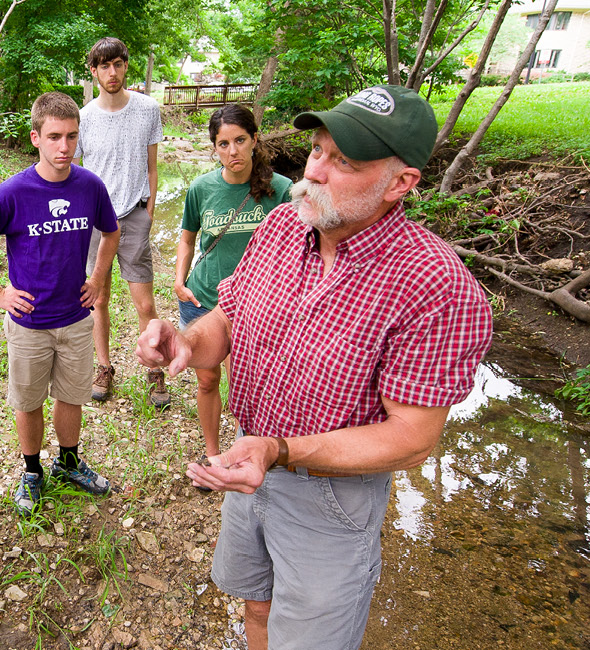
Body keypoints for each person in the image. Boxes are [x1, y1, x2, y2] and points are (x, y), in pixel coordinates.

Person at [136, 85, 493, 650]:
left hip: (333, 495)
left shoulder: (436, 286)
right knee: (257, 604)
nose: (317, 172)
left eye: (344, 161)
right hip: (250, 457)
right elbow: (229, 318)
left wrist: (281, 450)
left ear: (400, 184)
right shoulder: (280, 227)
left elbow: (412, 439)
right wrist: (184, 342)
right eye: (318, 151)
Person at [0, 92, 120, 517]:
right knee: (28, 401)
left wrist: (98, 278)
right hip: (29, 321)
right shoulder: (14, 191)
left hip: (75, 317)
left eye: (71, 136)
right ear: (36, 138)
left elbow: (111, 232)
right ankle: (32, 471)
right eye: (53, 137)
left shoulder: (90, 186)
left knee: (71, 395)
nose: (63, 147)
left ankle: (68, 461)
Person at [174, 104, 293, 466]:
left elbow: (296, 250)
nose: (233, 152)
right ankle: (214, 455)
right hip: (202, 298)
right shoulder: (201, 188)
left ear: (255, 140)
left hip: (254, 307)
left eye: (240, 140)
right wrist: (179, 281)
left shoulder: (281, 190)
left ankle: (247, 452)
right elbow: (187, 237)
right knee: (207, 381)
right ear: (214, 147)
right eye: (223, 144)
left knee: (245, 384)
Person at [76, 37, 166, 407]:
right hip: (96, 221)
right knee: (98, 298)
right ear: (94, 71)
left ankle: (155, 368)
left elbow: (152, 164)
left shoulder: (148, 109)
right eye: (103, 66)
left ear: (126, 66)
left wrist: (150, 209)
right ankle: (104, 366)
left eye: (118, 64)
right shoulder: (83, 118)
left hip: (133, 215)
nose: (112, 73)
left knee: (144, 303)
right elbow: (77, 172)